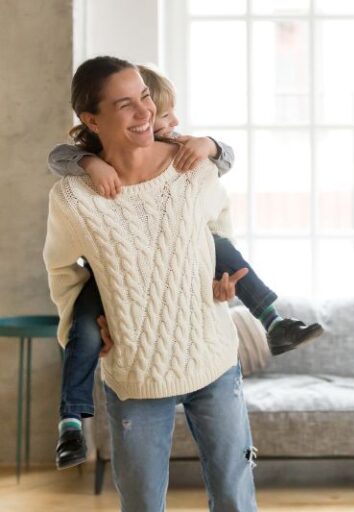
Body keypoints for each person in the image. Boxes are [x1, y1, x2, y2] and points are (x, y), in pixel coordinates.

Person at [47, 64, 323, 470]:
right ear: (94, 120)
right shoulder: (79, 181)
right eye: (158, 112)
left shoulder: (183, 157)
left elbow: (222, 182)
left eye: (150, 103)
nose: (164, 120)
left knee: (220, 246)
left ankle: (273, 321)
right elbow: (59, 159)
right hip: (112, 297)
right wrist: (91, 163)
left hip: (206, 343)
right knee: (84, 329)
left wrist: (209, 144)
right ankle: (71, 421)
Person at [44, 55, 258, 510]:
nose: (145, 111)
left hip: (213, 357)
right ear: (92, 120)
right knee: (141, 504)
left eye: (145, 96)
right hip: (135, 374)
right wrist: (82, 327)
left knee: (235, 499)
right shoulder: (73, 198)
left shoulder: (194, 168)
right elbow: (61, 270)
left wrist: (221, 279)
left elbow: (219, 229)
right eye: (125, 104)